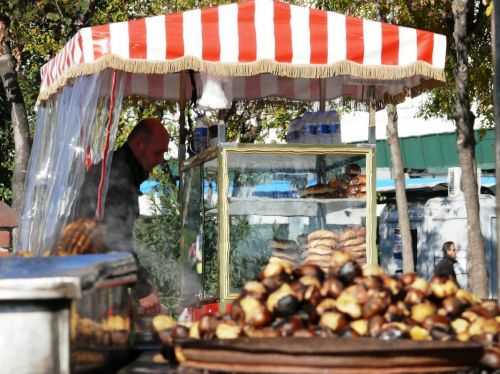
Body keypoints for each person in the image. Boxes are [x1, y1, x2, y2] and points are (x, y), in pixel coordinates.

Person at [71, 118, 170, 315]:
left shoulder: (117, 169)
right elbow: (116, 238)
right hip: (92, 284)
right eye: (157, 152)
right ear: (140, 145)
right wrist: (144, 290)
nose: (160, 160)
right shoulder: (118, 177)